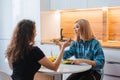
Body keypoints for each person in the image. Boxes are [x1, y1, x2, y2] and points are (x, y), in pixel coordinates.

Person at [5, 19, 70, 80]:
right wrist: (63, 47)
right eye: (34, 31)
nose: (36, 34)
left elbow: (12, 68)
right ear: (29, 34)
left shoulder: (13, 49)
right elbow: (55, 67)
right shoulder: (34, 50)